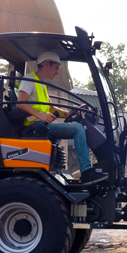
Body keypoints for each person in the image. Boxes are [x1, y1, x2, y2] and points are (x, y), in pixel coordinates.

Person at [16, 51, 104, 183]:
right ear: (47, 65)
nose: (57, 72)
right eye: (56, 68)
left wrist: (69, 112)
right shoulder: (29, 79)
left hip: (41, 124)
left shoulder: (42, 83)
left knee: (79, 127)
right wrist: (41, 116)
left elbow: (51, 108)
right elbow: (20, 103)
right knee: (78, 129)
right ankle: (86, 172)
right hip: (34, 127)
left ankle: (87, 170)